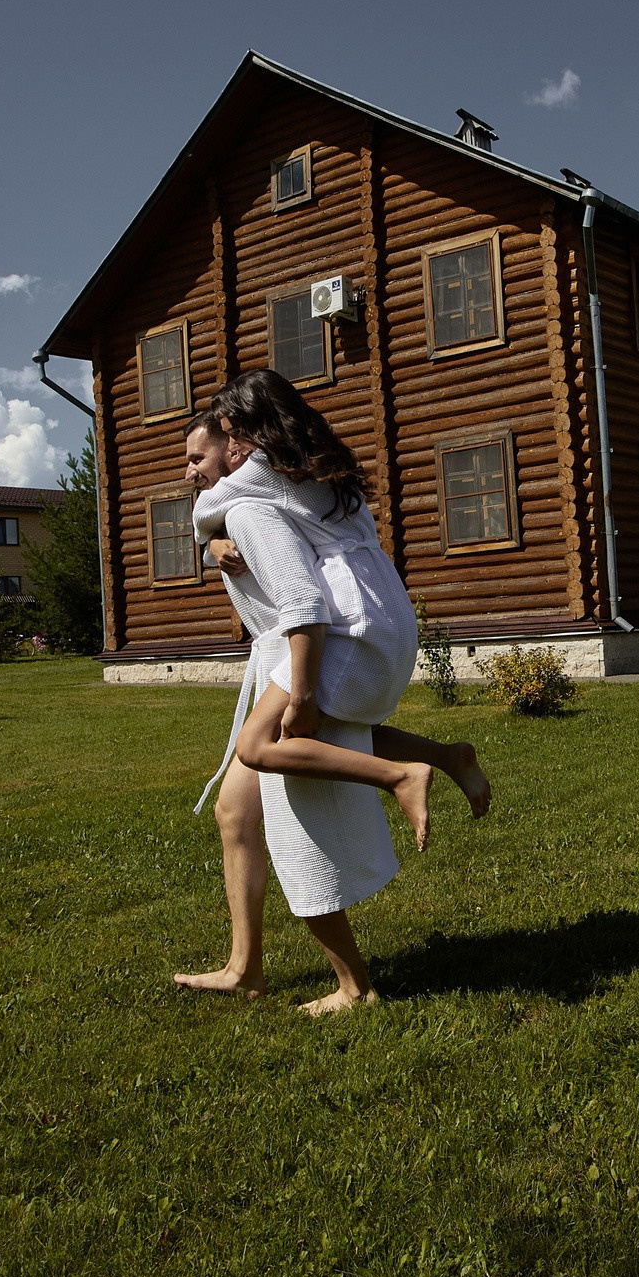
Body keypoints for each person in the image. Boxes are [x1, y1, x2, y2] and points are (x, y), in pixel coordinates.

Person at [169, 372, 490, 1014]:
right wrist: (217, 549)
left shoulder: (255, 490)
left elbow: (285, 583)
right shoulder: (318, 471)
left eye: (220, 444)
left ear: (250, 436)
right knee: (236, 811)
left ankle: (400, 779)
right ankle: (244, 967)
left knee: (273, 752)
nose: (214, 463)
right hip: (380, 614)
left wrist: (303, 689)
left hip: (335, 629)